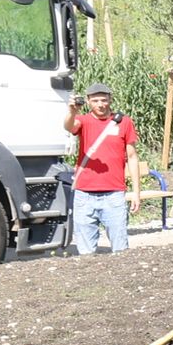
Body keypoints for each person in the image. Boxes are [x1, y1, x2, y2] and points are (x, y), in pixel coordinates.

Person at [71, 85, 134, 255]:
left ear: (110, 100)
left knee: (121, 250)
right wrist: (72, 111)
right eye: (95, 100)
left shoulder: (124, 122)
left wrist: (136, 192)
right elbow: (69, 126)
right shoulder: (83, 121)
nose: (100, 104)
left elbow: (133, 157)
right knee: (85, 253)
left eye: (104, 100)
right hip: (85, 195)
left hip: (114, 195)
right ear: (89, 101)